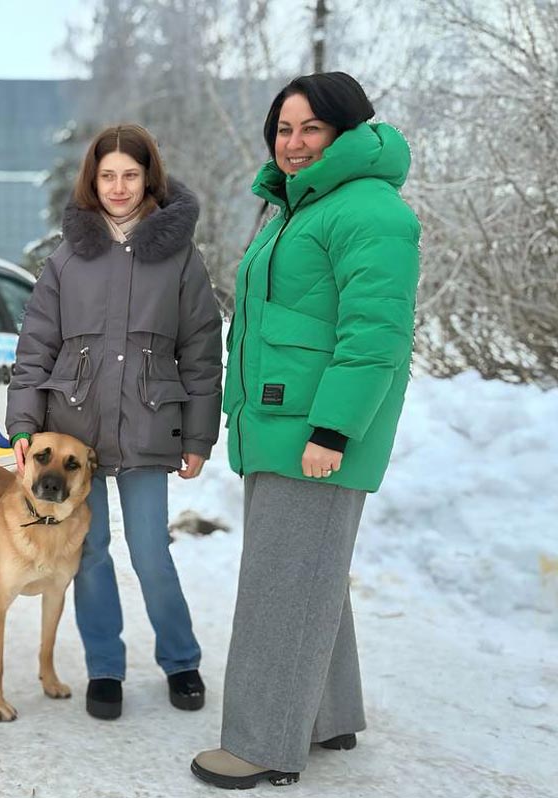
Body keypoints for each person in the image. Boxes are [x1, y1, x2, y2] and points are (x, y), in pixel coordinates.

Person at [191, 72, 421, 789]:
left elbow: (375, 335)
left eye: (310, 128)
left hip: (314, 431)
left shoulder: (369, 211)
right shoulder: (301, 206)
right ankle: (327, 715)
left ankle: (261, 742)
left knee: (281, 584)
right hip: (278, 421)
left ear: (347, 130)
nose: (293, 143)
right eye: (283, 130)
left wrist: (333, 430)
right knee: (303, 573)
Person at [7, 124, 223, 721]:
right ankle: (105, 667)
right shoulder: (66, 258)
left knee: (151, 551)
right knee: (91, 552)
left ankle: (180, 660)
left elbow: (202, 350)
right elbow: (35, 348)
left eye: (130, 175)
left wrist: (199, 434)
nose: (119, 187)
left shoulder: (180, 258)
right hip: (74, 431)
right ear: (92, 180)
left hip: (149, 427)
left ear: (149, 179)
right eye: (108, 176)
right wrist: (23, 426)